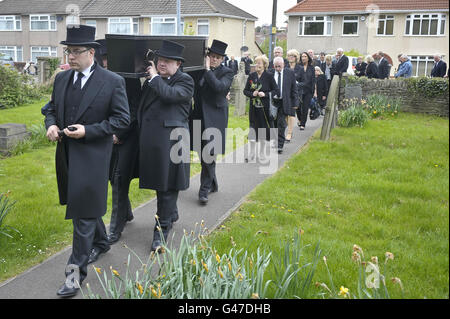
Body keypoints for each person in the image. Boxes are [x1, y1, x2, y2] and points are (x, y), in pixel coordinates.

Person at [44, 25, 130, 298]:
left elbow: (122, 120)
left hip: (93, 158)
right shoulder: (61, 79)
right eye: (68, 50)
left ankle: (74, 275)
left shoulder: (112, 81)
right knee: (86, 209)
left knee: (82, 218)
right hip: (67, 157)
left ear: (91, 52)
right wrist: (51, 125)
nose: (71, 56)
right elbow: (51, 109)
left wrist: (88, 131)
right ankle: (102, 242)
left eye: (76, 51)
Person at [137, 40, 194, 252]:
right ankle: (171, 213)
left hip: (173, 142)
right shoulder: (154, 81)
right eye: (160, 60)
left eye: (167, 61)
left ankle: (160, 233)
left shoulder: (185, 81)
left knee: (167, 188)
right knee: (162, 185)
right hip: (153, 142)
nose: (162, 64)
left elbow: (170, 96)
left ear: (178, 64)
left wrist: (153, 78)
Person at [94, 40, 141, 245]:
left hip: (126, 137)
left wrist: (118, 134)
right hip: (105, 135)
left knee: (119, 179)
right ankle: (127, 213)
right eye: (102, 58)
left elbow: (133, 111)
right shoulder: (98, 79)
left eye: (108, 59)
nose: (105, 63)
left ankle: (115, 229)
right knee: (113, 177)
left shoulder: (127, 80)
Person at [190, 39, 234, 205]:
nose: (214, 59)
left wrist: (208, 69)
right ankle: (213, 182)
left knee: (209, 153)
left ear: (222, 59)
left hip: (215, 117)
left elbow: (218, 88)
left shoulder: (227, 72)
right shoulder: (199, 70)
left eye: (217, 57)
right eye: (211, 56)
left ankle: (204, 190)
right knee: (202, 153)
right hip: (198, 115)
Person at [243, 55, 279, 162]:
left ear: (264, 65)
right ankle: (251, 154)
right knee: (253, 131)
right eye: (256, 62)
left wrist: (266, 94)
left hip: (264, 109)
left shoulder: (269, 76)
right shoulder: (251, 76)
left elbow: (276, 90)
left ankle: (262, 153)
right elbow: (245, 91)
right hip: (253, 109)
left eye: (259, 63)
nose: (257, 65)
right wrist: (252, 94)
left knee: (263, 131)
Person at [270, 56, 298, 154]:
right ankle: (275, 139)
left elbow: (294, 88)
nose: (278, 68)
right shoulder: (270, 73)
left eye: (279, 66)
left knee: (281, 124)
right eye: (276, 66)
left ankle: (280, 145)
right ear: (273, 66)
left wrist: (295, 103)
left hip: (283, 102)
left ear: (283, 65)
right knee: (273, 124)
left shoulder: (289, 73)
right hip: (273, 102)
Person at [285, 49, 302, 143]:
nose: (290, 57)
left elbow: (304, 81)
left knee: (291, 112)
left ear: (296, 58)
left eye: (292, 56)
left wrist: (296, 84)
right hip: (285, 93)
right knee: (285, 114)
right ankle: (290, 129)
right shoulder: (285, 67)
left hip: (295, 93)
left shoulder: (300, 68)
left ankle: (289, 133)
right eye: (289, 56)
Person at [296, 52, 315, 131]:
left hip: (308, 91)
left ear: (308, 58)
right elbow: (296, 78)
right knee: (298, 107)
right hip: (299, 90)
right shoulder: (298, 67)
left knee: (305, 108)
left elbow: (313, 80)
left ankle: (303, 124)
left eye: (305, 56)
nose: (303, 58)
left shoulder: (311, 68)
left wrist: (314, 92)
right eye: (302, 56)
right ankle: (300, 119)